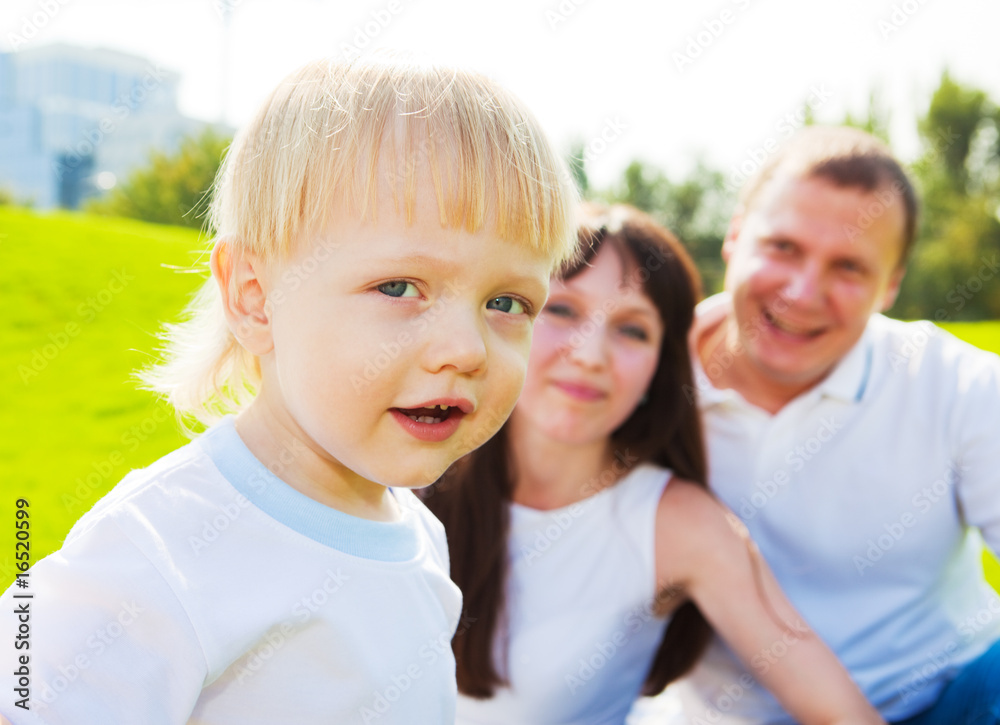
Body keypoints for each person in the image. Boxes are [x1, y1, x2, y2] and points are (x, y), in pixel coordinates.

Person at [0, 55, 578, 724]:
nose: (468, 348)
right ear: (256, 298)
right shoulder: (162, 550)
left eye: (507, 302)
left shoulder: (418, 532)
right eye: (398, 287)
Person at [424, 202, 884, 725]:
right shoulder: (407, 473)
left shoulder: (679, 525)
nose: (590, 354)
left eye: (632, 330)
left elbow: (846, 715)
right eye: (562, 309)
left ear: (658, 372)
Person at [671, 125, 1000, 724]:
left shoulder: (958, 386)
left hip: (953, 697)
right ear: (735, 236)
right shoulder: (635, 391)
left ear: (891, 285)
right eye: (783, 248)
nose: (802, 292)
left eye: (848, 266)